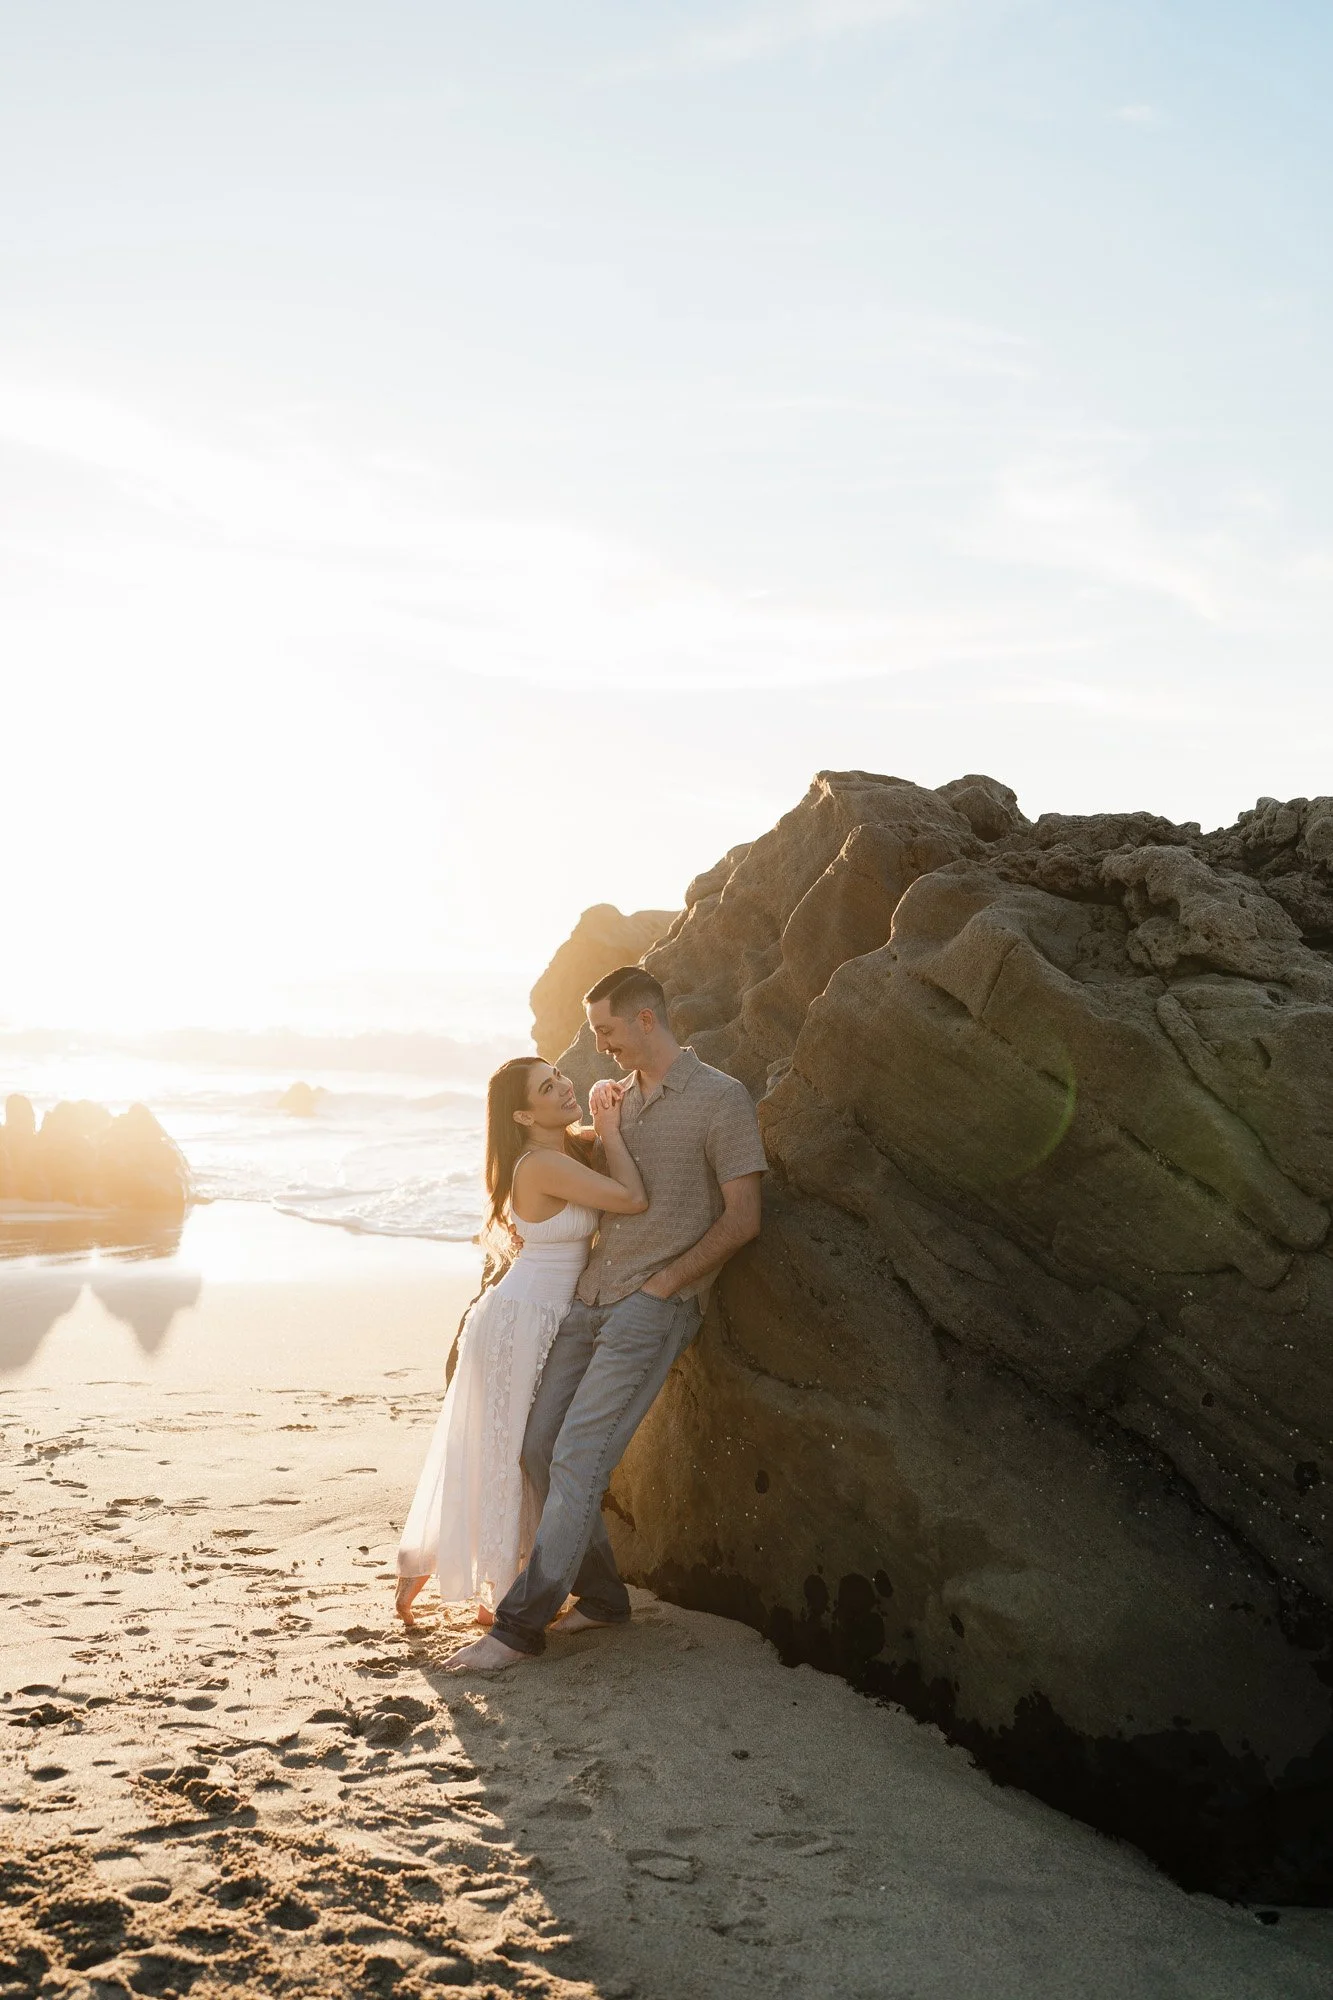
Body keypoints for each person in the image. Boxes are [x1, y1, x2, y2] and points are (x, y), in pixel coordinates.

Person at [445, 966, 766, 1673]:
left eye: (607, 1031)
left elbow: (743, 1217)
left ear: (646, 1019)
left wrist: (666, 1285)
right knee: (536, 1449)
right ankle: (602, 1598)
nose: (600, 1045)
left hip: (649, 1309)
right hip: (587, 1301)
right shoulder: (615, 1101)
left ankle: (519, 1627)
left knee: (578, 1456)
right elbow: (563, 1177)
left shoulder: (721, 1099)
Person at [394, 1053, 648, 1627]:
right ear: (523, 1115)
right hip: (522, 1320)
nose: (563, 1087)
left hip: (548, 1317)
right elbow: (632, 1198)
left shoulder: (562, 1150)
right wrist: (607, 1129)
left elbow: (612, 1133)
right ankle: (486, 1579)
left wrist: (610, 1106)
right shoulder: (538, 1165)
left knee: (521, 1449)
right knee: (508, 1450)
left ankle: (476, 1574)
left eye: (559, 1078)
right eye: (546, 1087)